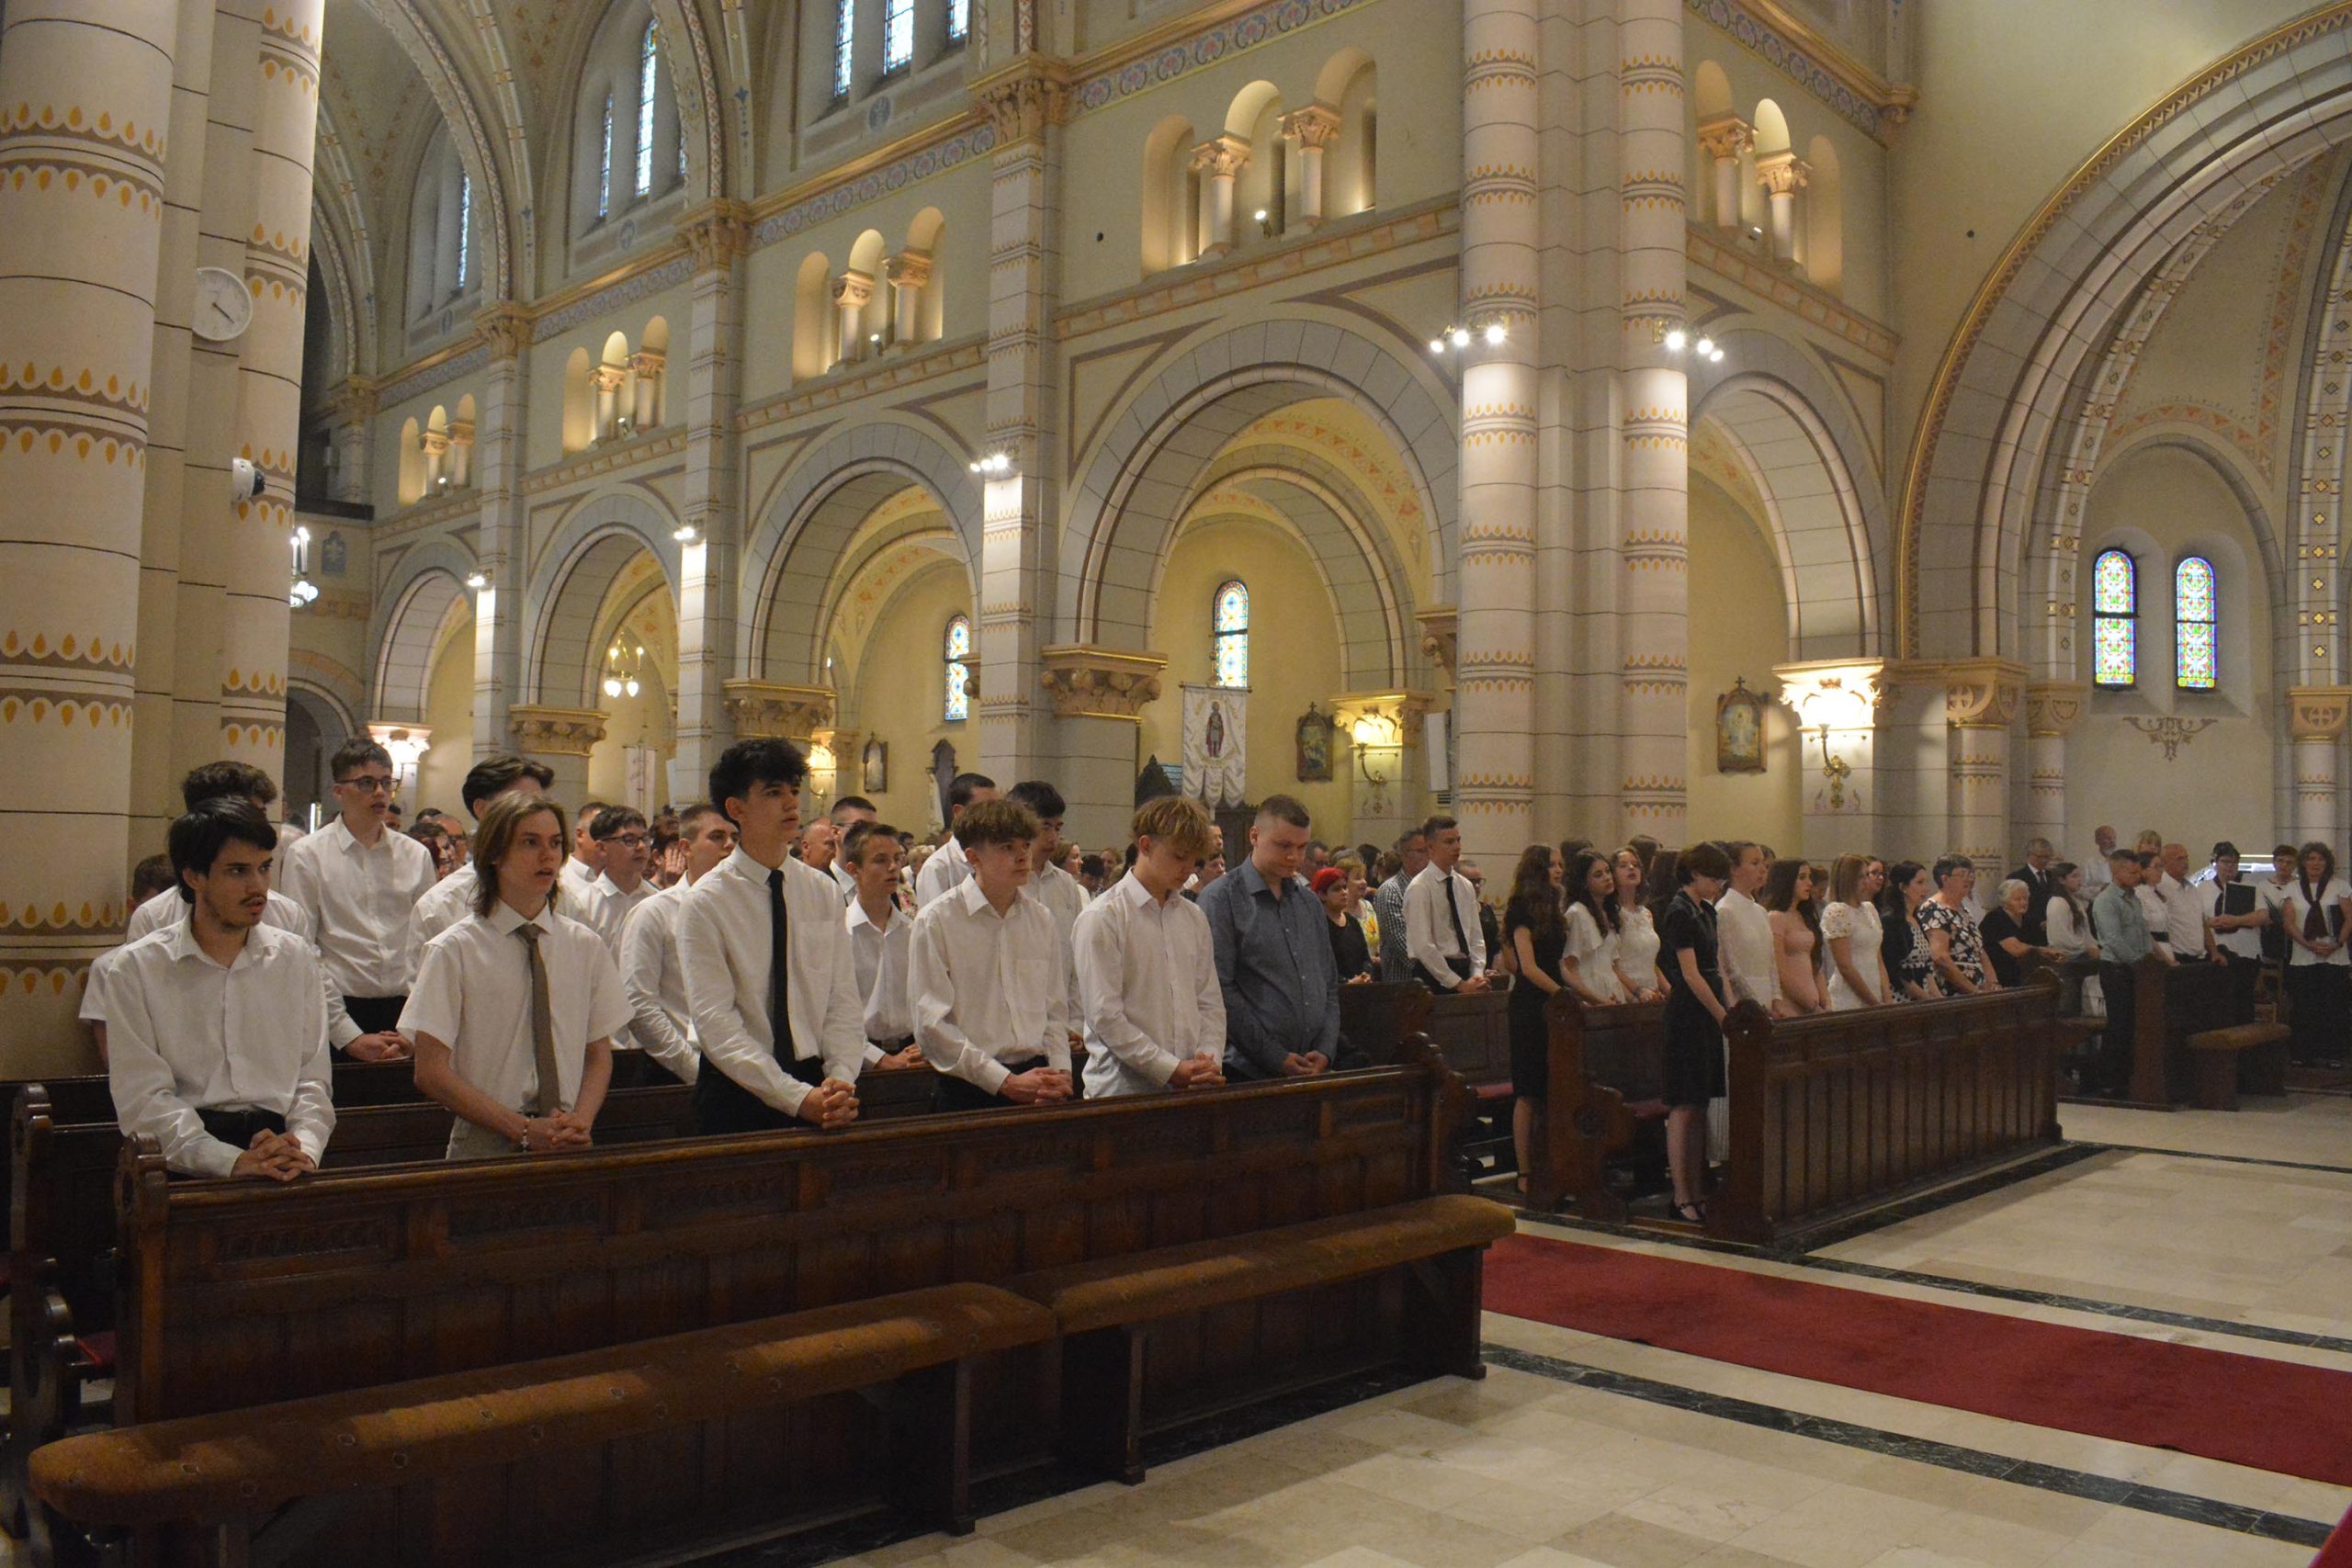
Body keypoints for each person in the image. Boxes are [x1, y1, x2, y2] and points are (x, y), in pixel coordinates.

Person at [105, 800, 334, 1180]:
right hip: (182, 1162)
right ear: (194, 876)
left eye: (264, 868)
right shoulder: (138, 968)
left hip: (283, 1151)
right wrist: (228, 1160)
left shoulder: (295, 958)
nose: (258, 887)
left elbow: (312, 1080)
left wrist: (303, 1148)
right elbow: (143, 1099)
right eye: (237, 871)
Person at [403, 795, 630, 1159]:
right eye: (530, 842)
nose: (547, 856)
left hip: (566, 1136)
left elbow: (598, 1053)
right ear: (495, 853)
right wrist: (521, 1129)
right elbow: (430, 1071)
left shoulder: (584, 946)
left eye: (555, 843)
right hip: (486, 1137)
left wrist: (580, 1121)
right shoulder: (454, 950)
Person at [676, 739, 868, 1134]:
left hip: (819, 1084)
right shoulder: (706, 901)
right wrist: (795, 1098)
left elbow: (842, 998)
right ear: (736, 808)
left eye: (794, 791)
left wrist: (841, 1079)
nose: (791, 803)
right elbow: (715, 1023)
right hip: (738, 1090)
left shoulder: (821, 890)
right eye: (773, 792)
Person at [277, 739, 438, 1062]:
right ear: (338, 791)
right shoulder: (307, 855)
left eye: (386, 782)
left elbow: (429, 943)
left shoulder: (415, 855)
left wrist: (413, 1028)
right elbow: (303, 948)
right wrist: (346, 1034)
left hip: (407, 1010)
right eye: (366, 783)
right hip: (339, 1009)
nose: (380, 793)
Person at [909, 798, 1075, 1111]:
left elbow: (1054, 1010)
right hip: (968, 1086)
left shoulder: (1041, 919)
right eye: (1006, 847)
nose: (1022, 856)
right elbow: (932, 1026)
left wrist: (1061, 1071)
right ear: (973, 857)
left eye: (1025, 845)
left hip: (1037, 1075)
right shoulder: (937, 921)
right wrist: (1005, 1081)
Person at [1074, 795, 1228, 1099]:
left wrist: (1208, 1060)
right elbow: (1106, 1017)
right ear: (1145, 845)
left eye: (1194, 860)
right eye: (1179, 856)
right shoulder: (1103, 917)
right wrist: (1169, 1069)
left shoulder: (1194, 917)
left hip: (1191, 1086)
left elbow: (1209, 1002)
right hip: (1122, 1091)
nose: (1188, 869)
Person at [1202, 795, 1339, 1082]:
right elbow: (1220, 990)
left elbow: (1328, 983)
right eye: (1284, 846)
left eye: (1301, 847)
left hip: (1313, 1064)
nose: (1295, 857)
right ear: (1254, 836)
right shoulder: (1221, 899)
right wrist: (1275, 1056)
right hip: (1247, 1069)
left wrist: (1325, 1049)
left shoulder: (1309, 903)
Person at [617, 803, 739, 1086]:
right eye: (717, 837)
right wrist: (692, 1068)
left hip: (739, 1065)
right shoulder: (654, 912)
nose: (729, 845)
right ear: (686, 847)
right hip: (673, 1070)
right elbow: (638, 1002)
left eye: (735, 837)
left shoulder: (744, 911)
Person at [1658, 842, 1732, 1224]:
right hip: (1688, 1014)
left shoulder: (1706, 911)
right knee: (1684, 1106)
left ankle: (1699, 1186)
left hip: (1707, 1013)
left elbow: (1716, 967)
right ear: (1694, 873)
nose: (1718, 885)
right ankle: (1681, 1193)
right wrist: (1720, 1014)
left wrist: (1730, 1009)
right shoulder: (1679, 911)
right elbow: (1690, 974)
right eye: (1714, 877)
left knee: (1701, 1105)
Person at [410, 755, 557, 944]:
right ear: (482, 809)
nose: (535, 815)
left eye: (539, 804)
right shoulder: (441, 907)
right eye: (520, 803)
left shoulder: (564, 899)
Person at [1502, 844, 1569, 1190]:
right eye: (1552, 865)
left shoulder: (1554, 910)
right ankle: (1525, 1171)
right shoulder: (1520, 909)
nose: (1559, 870)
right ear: (1536, 870)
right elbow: (1527, 967)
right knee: (1529, 1090)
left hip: (1554, 1005)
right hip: (1530, 1006)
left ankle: (1549, 1162)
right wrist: (1561, 994)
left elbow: (1560, 965)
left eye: (1560, 864)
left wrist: (1578, 996)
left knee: (1552, 1088)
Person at [1008, 781, 1089, 1035]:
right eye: (1045, 827)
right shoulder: (1007, 883)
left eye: (1058, 827)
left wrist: (1076, 1023)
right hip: (1015, 1025)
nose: (1053, 837)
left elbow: (1075, 959)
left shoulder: (1066, 885)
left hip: (1062, 1023)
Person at [842, 824, 924, 1070]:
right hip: (859, 1058)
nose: (892, 867)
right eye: (880, 860)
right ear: (853, 870)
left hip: (913, 1052)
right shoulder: (841, 933)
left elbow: (926, 999)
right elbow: (832, 1015)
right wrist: (880, 1060)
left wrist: (925, 1045)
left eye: (897, 859)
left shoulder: (912, 930)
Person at [2089, 849, 2166, 1095]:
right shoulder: (2106, 901)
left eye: (2138, 871)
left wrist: (2149, 959)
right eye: (2132, 872)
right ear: (2117, 872)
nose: (2137, 876)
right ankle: (2109, 1081)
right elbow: (2113, 939)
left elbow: (2143, 932)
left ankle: (2131, 1076)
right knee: (2119, 1024)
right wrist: (2138, 963)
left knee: (2136, 1023)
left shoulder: (2134, 899)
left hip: (2138, 970)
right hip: (2116, 970)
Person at [2279, 841, 2351, 1067]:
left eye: (2320, 859)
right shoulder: (2292, 888)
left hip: (2334, 954)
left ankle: (2332, 1053)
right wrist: (2308, 944)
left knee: (2333, 1005)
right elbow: (2288, 922)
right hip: (2304, 954)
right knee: (2304, 1005)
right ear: (2303, 863)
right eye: (2311, 859)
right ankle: (2303, 1052)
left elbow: (2349, 917)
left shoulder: (2339, 885)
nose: (2315, 863)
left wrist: (2337, 943)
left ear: (2327, 863)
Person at [1404, 816, 1487, 994]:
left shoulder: (1465, 885)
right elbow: (1423, 946)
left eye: (1458, 840)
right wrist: (1458, 984)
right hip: (1433, 975)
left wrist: (1477, 974)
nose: (1457, 847)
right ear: (1431, 847)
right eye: (1449, 842)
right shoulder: (1420, 887)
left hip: (1465, 970)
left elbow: (1476, 937)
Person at [579, 806, 656, 959]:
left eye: (645, 839)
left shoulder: (656, 899)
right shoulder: (584, 905)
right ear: (602, 848)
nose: (641, 847)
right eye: (629, 840)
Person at [1715, 841, 1782, 1016]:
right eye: (1755, 863)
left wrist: (1776, 999)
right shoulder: (1725, 910)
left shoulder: (1761, 911)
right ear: (1734, 869)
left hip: (1766, 996)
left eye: (1763, 863)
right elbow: (1730, 967)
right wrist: (1757, 1006)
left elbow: (1771, 961)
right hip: (1744, 1002)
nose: (1763, 869)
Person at [913, 773, 999, 908]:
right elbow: (934, 918)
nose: (996, 817)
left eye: (997, 808)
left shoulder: (999, 858)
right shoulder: (937, 868)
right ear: (959, 812)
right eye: (986, 809)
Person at [1919, 856, 1996, 995]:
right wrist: (1972, 990)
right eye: (1962, 875)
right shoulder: (1933, 909)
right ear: (1945, 879)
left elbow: (1979, 950)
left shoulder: (1964, 911)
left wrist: (1994, 985)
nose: (1968, 880)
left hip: (1977, 991)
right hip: (1953, 992)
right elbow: (1940, 957)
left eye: (1970, 875)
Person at [1819, 854, 1887, 1010]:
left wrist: (1887, 999)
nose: (1866, 881)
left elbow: (1878, 959)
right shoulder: (1837, 911)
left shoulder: (1869, 909)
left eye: (1866, 875)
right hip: (1848, 996)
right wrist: (1873, 1002)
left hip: (1874, 990)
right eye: (1860, 877)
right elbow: (1845, 966)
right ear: (1848, 879)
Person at [1558, 849, 1623, 1006]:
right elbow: (1569, 967)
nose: (1607, 878)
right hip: (1589, 994)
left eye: (1608, 871)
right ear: (1584, 883)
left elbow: (1612, 966)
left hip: (1612, 990)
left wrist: (1634, 996)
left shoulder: (1608, 912)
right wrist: (1595, 999)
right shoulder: (1577, 913)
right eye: (1598, 875)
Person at [1761, 860, 1824, 1015]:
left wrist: (1826, 1000)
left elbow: (1815, 964)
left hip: (1812, 1001)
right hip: (1790, 1003)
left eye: (1809, 877)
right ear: (1786, 880)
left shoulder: (1803, 916)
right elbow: (1779, 969)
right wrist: (1810, 1004)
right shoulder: (1775, 917)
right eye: (1802, 877)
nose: (1809, 883)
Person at [2043, 861, 2104, 1018]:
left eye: (2079, 876)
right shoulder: (2057, 902)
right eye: (2074, 876)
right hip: (2067, 961)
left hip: (2081, 958)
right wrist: (2086, 948)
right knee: (2069, 1009)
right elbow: (2061, 938)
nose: (2079, 880)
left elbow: (2085, 932)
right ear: (2061, 880)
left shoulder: (2075, 901)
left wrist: (2095, 947)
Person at [1980, 878, 2063, 989]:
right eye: (2017, 899)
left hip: (2025, 974)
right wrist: (2046, 951)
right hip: (2000, 976)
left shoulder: (2028, 919)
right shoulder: (1995, 918)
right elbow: (2016, 949)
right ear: (2005, 902)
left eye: (2025, 898)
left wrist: (2053, 956)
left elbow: (2040, 944)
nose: (2023, 903)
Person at [1372, 828, 1430, 983]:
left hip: (1439, 979)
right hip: (1405, 983)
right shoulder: (1391, 890)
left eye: (1430, 850)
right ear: (1404, 855)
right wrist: (1442, 970)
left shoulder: (1434, 887)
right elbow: (1403, 946)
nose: (1428, 856)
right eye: (1421, 851)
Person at [1611, 847, 1667, 1001]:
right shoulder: (1612, 914)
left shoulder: (1646, 914)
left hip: (1652, 992)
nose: (1631, 868)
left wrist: (1669, 990)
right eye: (1623, 865)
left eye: (1635, 865)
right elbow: (1611, 965)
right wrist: (1637, 992)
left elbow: (1651, 962)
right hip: (1626, 993)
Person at [1880, 861, 1940, 1001]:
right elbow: (1896, 970)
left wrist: (1938, 998)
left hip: (1922, 996)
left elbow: (1927, 967)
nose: (1926, 889)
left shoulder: (1916, 918)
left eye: (1926, 882)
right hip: (1901, 998)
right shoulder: (1891, 922)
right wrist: (1925, 998)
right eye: (1920, 882)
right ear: (1903, 887)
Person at [1316, 866, 1374, 982]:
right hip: (1335, 988)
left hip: (1362, 986)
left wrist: (1366, 974)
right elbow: (1321, 965)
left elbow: (1365, 957)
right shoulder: (1318, 925)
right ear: (1322, 895)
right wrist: (1347, 982)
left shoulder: (1352, 921)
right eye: (1336, 889)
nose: (1344, 892)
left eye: (1345, 887)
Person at [827, 795, 880, 899]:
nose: (868, 835)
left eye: (874, 829)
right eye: (860, 827)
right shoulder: (818, 885)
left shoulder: (881, 886)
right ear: (835, 832)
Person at [2008, 838, 2059, 946]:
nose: (2044, 860)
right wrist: (2039, 923)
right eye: (2040, 857)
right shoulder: (2016, 877)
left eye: (2047, 857)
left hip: (2053, 933)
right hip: (2028, 933)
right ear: (2029, 855)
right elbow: (2013, 907)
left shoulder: (2054, 876)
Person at [562, 803, 609, 901]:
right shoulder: (559, 879)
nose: (609, 839)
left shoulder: (619, 878)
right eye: (602, 832)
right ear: (580, 835)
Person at [2080, 825, 2120, 892]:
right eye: (2108, 838)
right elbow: (2080, 889)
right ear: (2097, 841)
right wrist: (2100, 889)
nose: (2112, 841)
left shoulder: (2122, 860)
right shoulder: (2088, 864)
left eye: (2114, 838)